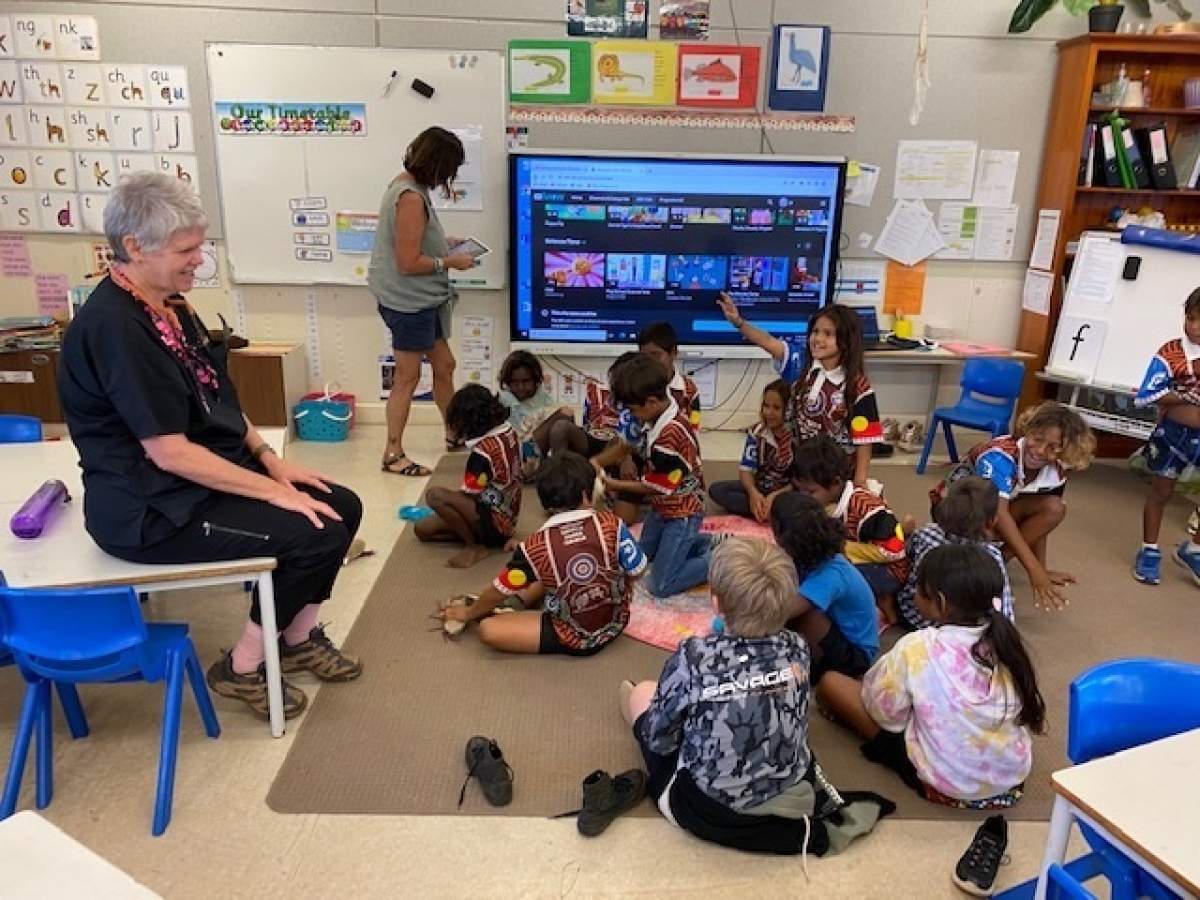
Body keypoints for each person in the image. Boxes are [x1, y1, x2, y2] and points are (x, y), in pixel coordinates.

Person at [57, 172, 362, 720]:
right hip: (150, 510)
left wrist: (270, 461)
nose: (199, 260)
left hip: (197, 479)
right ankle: (240, 668)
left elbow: (217, 395)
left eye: (199, 246)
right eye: (186, 250)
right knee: (317, 534)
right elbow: (168, 453)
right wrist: (275, 494)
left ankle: (296, 640)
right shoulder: (115, 328)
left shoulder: (172, 307)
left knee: (343, 505)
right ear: (135, 246)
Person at [820, 544, 1043, 813]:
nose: (913, 593)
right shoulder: (1006, 640)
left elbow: (886, 717)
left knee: (832, 683)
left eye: (918, 588)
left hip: (946, 785)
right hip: (1010, 779)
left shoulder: (916, 647)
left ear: (941, 603)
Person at [622, 538, 816, 846]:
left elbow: (659, 739)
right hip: (789, 786)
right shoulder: (798, 648)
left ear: (716, 602)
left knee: (641, 693)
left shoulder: (694, 658)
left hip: (707, 808)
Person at [439, 452, 647, 655]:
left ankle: (501, 605)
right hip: (615, 623)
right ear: (586, 493)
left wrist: (468, 613)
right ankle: (513, 604)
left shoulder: (536, 545)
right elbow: (638, 569)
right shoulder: (613, 524)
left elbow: (500, 588)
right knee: (549, 567)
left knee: (489, 629)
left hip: (570, 636)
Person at [369, 126, 477, 477]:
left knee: (445, 365)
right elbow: (408, 263)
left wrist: (444, 244)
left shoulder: (407, 186)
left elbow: (412, 241)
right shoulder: (411, 198)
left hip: (421, 299)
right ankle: (392, 453)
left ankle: (454, 435)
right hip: (408, 302)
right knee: (408, 377)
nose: (449, 177)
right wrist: (449, 262)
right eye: (450, 169)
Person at [930, 401, 1095, 610]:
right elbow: (998, 513)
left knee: (1055, 508)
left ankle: (997, 562)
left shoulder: (1057, 470)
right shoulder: (1000, 455)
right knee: (994, 522)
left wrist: (1041, 568)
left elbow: (1042, 522)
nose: (1040, 451)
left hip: (994, 511)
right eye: (1037, 439)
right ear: (1029, 430)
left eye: (1053, 447)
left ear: (1066, 449)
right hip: (956, 511)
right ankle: (984, 563)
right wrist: (1033, 569)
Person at [718, 294, 882, 487]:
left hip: (832, 477)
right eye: (815, 331)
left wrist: (860, 481)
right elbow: (768, 341)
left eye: (828, 334)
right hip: (798, 470)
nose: (818, 339)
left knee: (790, 503)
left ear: (845, 341)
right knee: (726, 490)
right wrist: (739, 322)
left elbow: (865, 440)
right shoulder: (801, 365)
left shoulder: (858, 386)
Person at [596, 354, 711, 596]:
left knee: (661, 585)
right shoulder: (658, 411)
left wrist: (611, 483)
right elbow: (626, 446)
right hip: (663, 507)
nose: (632, 415)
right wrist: (595, 463)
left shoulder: (669, 437)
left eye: (633, 410)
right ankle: (700, 542)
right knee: (641, 559)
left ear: (650, 403)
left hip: (682, 512)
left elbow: (657, 486)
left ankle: (718, 557)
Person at [790, 436, 910, 623]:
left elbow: (895, 550)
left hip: (890, 570)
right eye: (800, 491)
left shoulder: (866, 507)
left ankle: (884, 597)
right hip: (863, 552)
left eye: (810, 492)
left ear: (836, 482)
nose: (803, 498)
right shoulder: (830, 501)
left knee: (832, 574)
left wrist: (844, 548)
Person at [771, 492, 878, 687]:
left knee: (800, 615)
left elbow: (782, 611)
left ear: (778, 533)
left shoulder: (831, 573)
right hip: (837, 629)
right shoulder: (810, 554)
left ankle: (824, 670)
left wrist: (740, 610)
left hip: (857, 655)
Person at [1133, 287, 1200, 586]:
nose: (1194, 327)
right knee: (1161, 491)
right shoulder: (1171, 352)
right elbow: (1146, 395)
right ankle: (1149, 550)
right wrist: (1185, 395)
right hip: (1174, 435)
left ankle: (1194, 549)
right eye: (1190, 318)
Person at [415, 384, 521, 568]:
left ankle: (474, 545)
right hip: (509, 517)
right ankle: (487, 539)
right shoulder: (509, 431)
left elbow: (471, 494)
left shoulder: (482, 453)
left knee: (435, 496)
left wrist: (451, 502)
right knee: (422, 530)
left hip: (494, 520)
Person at [898, 476, 1013, 630]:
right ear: (992, 521)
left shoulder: (925, 534)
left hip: (914, 615)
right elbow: (1005, 611)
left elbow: (905, 558)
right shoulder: (991, 556)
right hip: (964, 626)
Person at [709, 380, 793, 522]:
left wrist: (774, 496)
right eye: (766, 406)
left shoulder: (797, 437)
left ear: (788, 410)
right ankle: (764, 509)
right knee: (717, 490)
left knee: (801, 501)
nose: (769, 412)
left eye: (776, 408)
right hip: (761, 487)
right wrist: (753, 493)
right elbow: (745, 470)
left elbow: (800, 482)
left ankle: (766, 510)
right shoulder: (757, 431)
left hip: (786, 492)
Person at [497, 350, 572, 481]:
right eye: (514, 382)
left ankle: (561, 469)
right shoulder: (504, 400)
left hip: (538, 455)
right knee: (564, 414)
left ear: (536, 380)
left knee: (564, 423)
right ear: (507, 382)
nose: (520, 387)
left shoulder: (542, 398)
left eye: (526, 381)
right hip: (517, 456)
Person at [549, 351, 640, 459]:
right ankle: (557, 466)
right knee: (561, 426)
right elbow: (586, 425)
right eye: (616, 377)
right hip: (595, 440)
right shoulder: (596, 392)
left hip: (625, 450)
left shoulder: (644, 402)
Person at [638, 322, 701, 430]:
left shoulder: (689, 390)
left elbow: (694, 428)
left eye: (656, 355)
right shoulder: (632, 386)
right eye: (644, 356)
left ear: (673, 352)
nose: (649, 362)